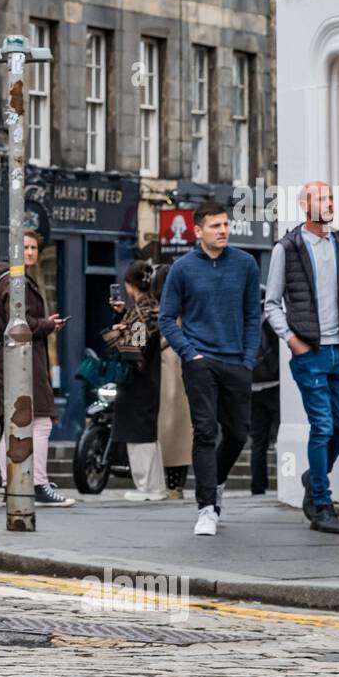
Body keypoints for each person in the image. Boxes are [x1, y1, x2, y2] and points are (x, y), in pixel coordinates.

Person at [264, 181, 339, 534]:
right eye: (320, 198)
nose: (328, 203)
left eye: (331, 197)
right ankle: (323, 505)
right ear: (304, 206)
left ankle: (313, 477)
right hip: (310, 353)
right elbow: (271, 304)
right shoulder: (288, 248)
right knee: (323, 427)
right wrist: (292, 340)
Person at [157, 202, 261, 536]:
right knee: (204, 431)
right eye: (215, 226)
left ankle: (214, 482)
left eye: (226, 225)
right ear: (198, 230)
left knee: (238, 433)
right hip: (200, 361)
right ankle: (207, 508)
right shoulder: (182, 268)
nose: (223, 231)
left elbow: (252, 317)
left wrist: (248, 359)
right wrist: (190, 354)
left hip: (237, 362)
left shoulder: (245, 265)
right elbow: (166, 319)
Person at [0, 227, 73, 507]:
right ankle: (36, 484)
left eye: (34, 248)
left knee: (12, 427)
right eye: (25, 248)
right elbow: (18, 323)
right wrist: (47, 325)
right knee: (42, 422)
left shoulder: (9, 279)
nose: (30, 253)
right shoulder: (14, 281)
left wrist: (44, 324)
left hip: (14, 362)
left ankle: (12, 485)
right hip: (18, 363)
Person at [104, 260, 164, 501]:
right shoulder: (152, 307)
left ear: (129, 285)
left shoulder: (140, 313)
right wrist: (121, 316)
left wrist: (115, 335)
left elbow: (135, 346)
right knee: (148, 433)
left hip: (137, 381)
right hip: (150, 378)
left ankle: (146, 487)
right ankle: (156, 485)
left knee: (138, 434)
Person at [153, 263, 192, 500]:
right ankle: (175, 485)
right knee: (181, 432)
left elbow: (135, 346)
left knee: (166, 430)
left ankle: (160, 484)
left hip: (158, 375)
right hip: (183, 373)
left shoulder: (146, 311)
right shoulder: (188, 311)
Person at [249, 288, 281, 496]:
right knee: (279, 436)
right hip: (275, 385)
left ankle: (258, 487)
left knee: (258, 442)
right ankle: (287, 483)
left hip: (252, 387)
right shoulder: (271, 319)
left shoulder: (244, 321)